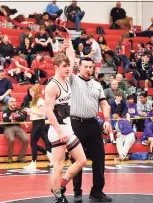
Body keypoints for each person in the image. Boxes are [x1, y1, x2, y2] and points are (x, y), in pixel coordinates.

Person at [44, 33, 87, 203]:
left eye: (68, 66)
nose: (68, 68)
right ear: (56, 67)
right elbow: (48, 110)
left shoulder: (67, 79)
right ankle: (57, 196)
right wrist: (59, 130)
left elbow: (71, 56)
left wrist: (68, 40)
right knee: (59, 164)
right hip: (57, 130)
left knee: (82, 160)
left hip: (67, 127)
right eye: (64, 66)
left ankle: (61, 184)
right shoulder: (52, 86)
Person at [68, 57, 112, 202]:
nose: (88, 69)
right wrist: (68, 45)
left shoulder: (97, 85)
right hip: (76, 124)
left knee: (99, 158)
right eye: (85, 66)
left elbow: (105, 104)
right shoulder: (73, 80)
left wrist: (106, 120)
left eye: (91, 67)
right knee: (78, 159)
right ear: (78, 68)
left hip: (93, 124)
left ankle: (97, 191)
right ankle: (77, 191)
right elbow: (68, 62)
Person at [23, 85, 52, 170]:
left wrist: (31, 111)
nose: (30, 93)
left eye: (32, 91)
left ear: (36, 91)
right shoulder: (34, 101)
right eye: (30, 92)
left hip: (39, 123)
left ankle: (33, 162)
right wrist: (29, 113)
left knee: (33, 142)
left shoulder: (40, 101)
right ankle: (50, 156)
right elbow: (36, 113)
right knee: (41, 142)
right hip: (36, 122)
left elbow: (42, 114)